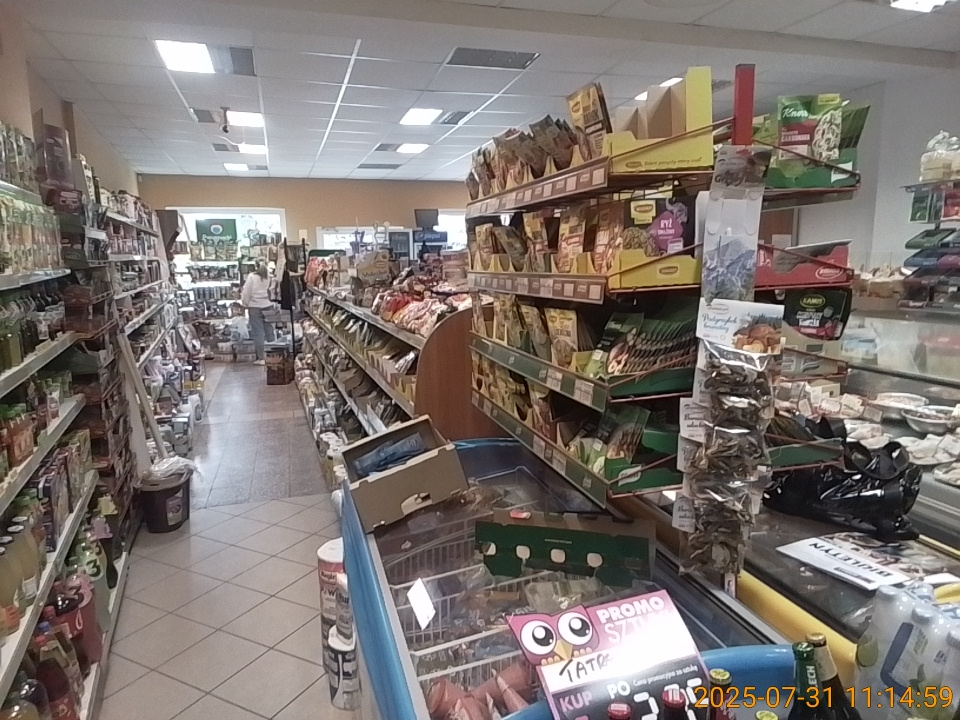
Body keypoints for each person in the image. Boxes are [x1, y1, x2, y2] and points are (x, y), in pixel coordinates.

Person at [240, 262, 275, 365]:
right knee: (270, 331)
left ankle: (261, 358)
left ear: (255, 267)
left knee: (258, 333)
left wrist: (245, 304)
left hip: (254, 307)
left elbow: (246, 292)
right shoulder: (270, 277)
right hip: (268, 305)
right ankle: (273, 356)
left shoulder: (251, 277)